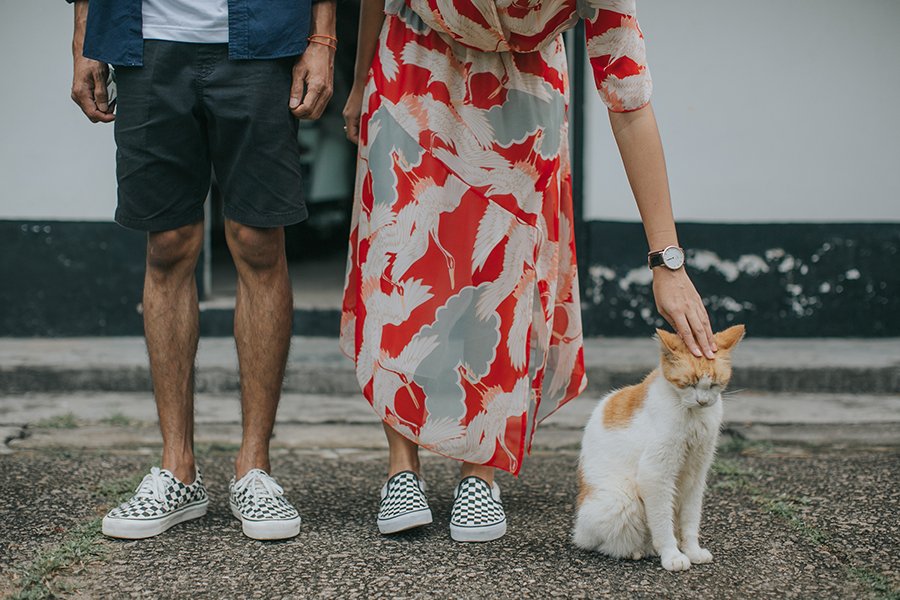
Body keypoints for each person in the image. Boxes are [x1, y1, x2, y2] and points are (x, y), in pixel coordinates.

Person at [341, 0, 717, 543]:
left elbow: (629, 99)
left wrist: (667, 260)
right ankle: (402, 465)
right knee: (403, 258)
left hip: (525, 88)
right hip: (413, 64)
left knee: (505, 274)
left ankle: (481, 470)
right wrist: (359, 77)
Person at [68, 0, 336, 540]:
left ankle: (254, 468)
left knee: (259, 240)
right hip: (143, 43)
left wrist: (322, 39)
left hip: (263, 41)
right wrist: (84, 37)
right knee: (166, 243)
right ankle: (177, 468)